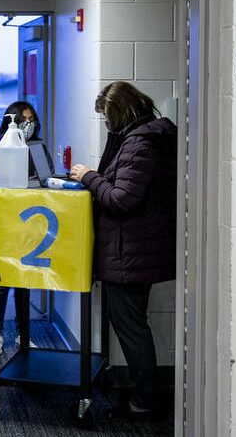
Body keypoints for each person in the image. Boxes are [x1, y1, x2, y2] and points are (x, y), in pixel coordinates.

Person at [68, 81, 177, 418]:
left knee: (130, 326)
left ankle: (145, 401)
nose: (106, 125)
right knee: (132, 324)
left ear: (119, 113)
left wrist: (88, 177)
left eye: (107, 118)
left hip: (130, 253)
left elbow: (121, 199)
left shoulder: (140, 142)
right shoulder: (143, 138)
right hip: (134, 249)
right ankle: (144, 395)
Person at [0, 101, 54, 355]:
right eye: (23, 119)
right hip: (2, 228)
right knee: (0, 283)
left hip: (31, 228)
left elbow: (47, 185)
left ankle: (24, 334)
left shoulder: (39, 150)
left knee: (24, 283)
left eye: (32, 119)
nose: (28, 124)